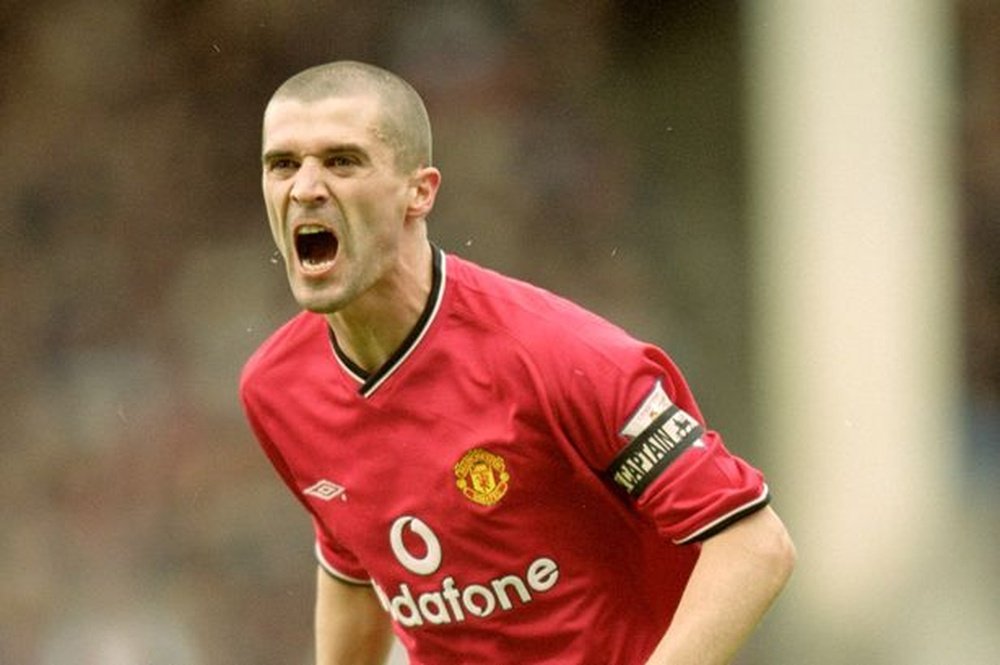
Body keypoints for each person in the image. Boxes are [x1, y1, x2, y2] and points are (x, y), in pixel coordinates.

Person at [240, 60, 796, 665]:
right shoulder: (275, 388)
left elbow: (753, 545)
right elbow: (353, 564)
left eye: (342, 161)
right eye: (283, 164)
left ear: (419, 192)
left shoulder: (562, 356)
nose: (305, 188)